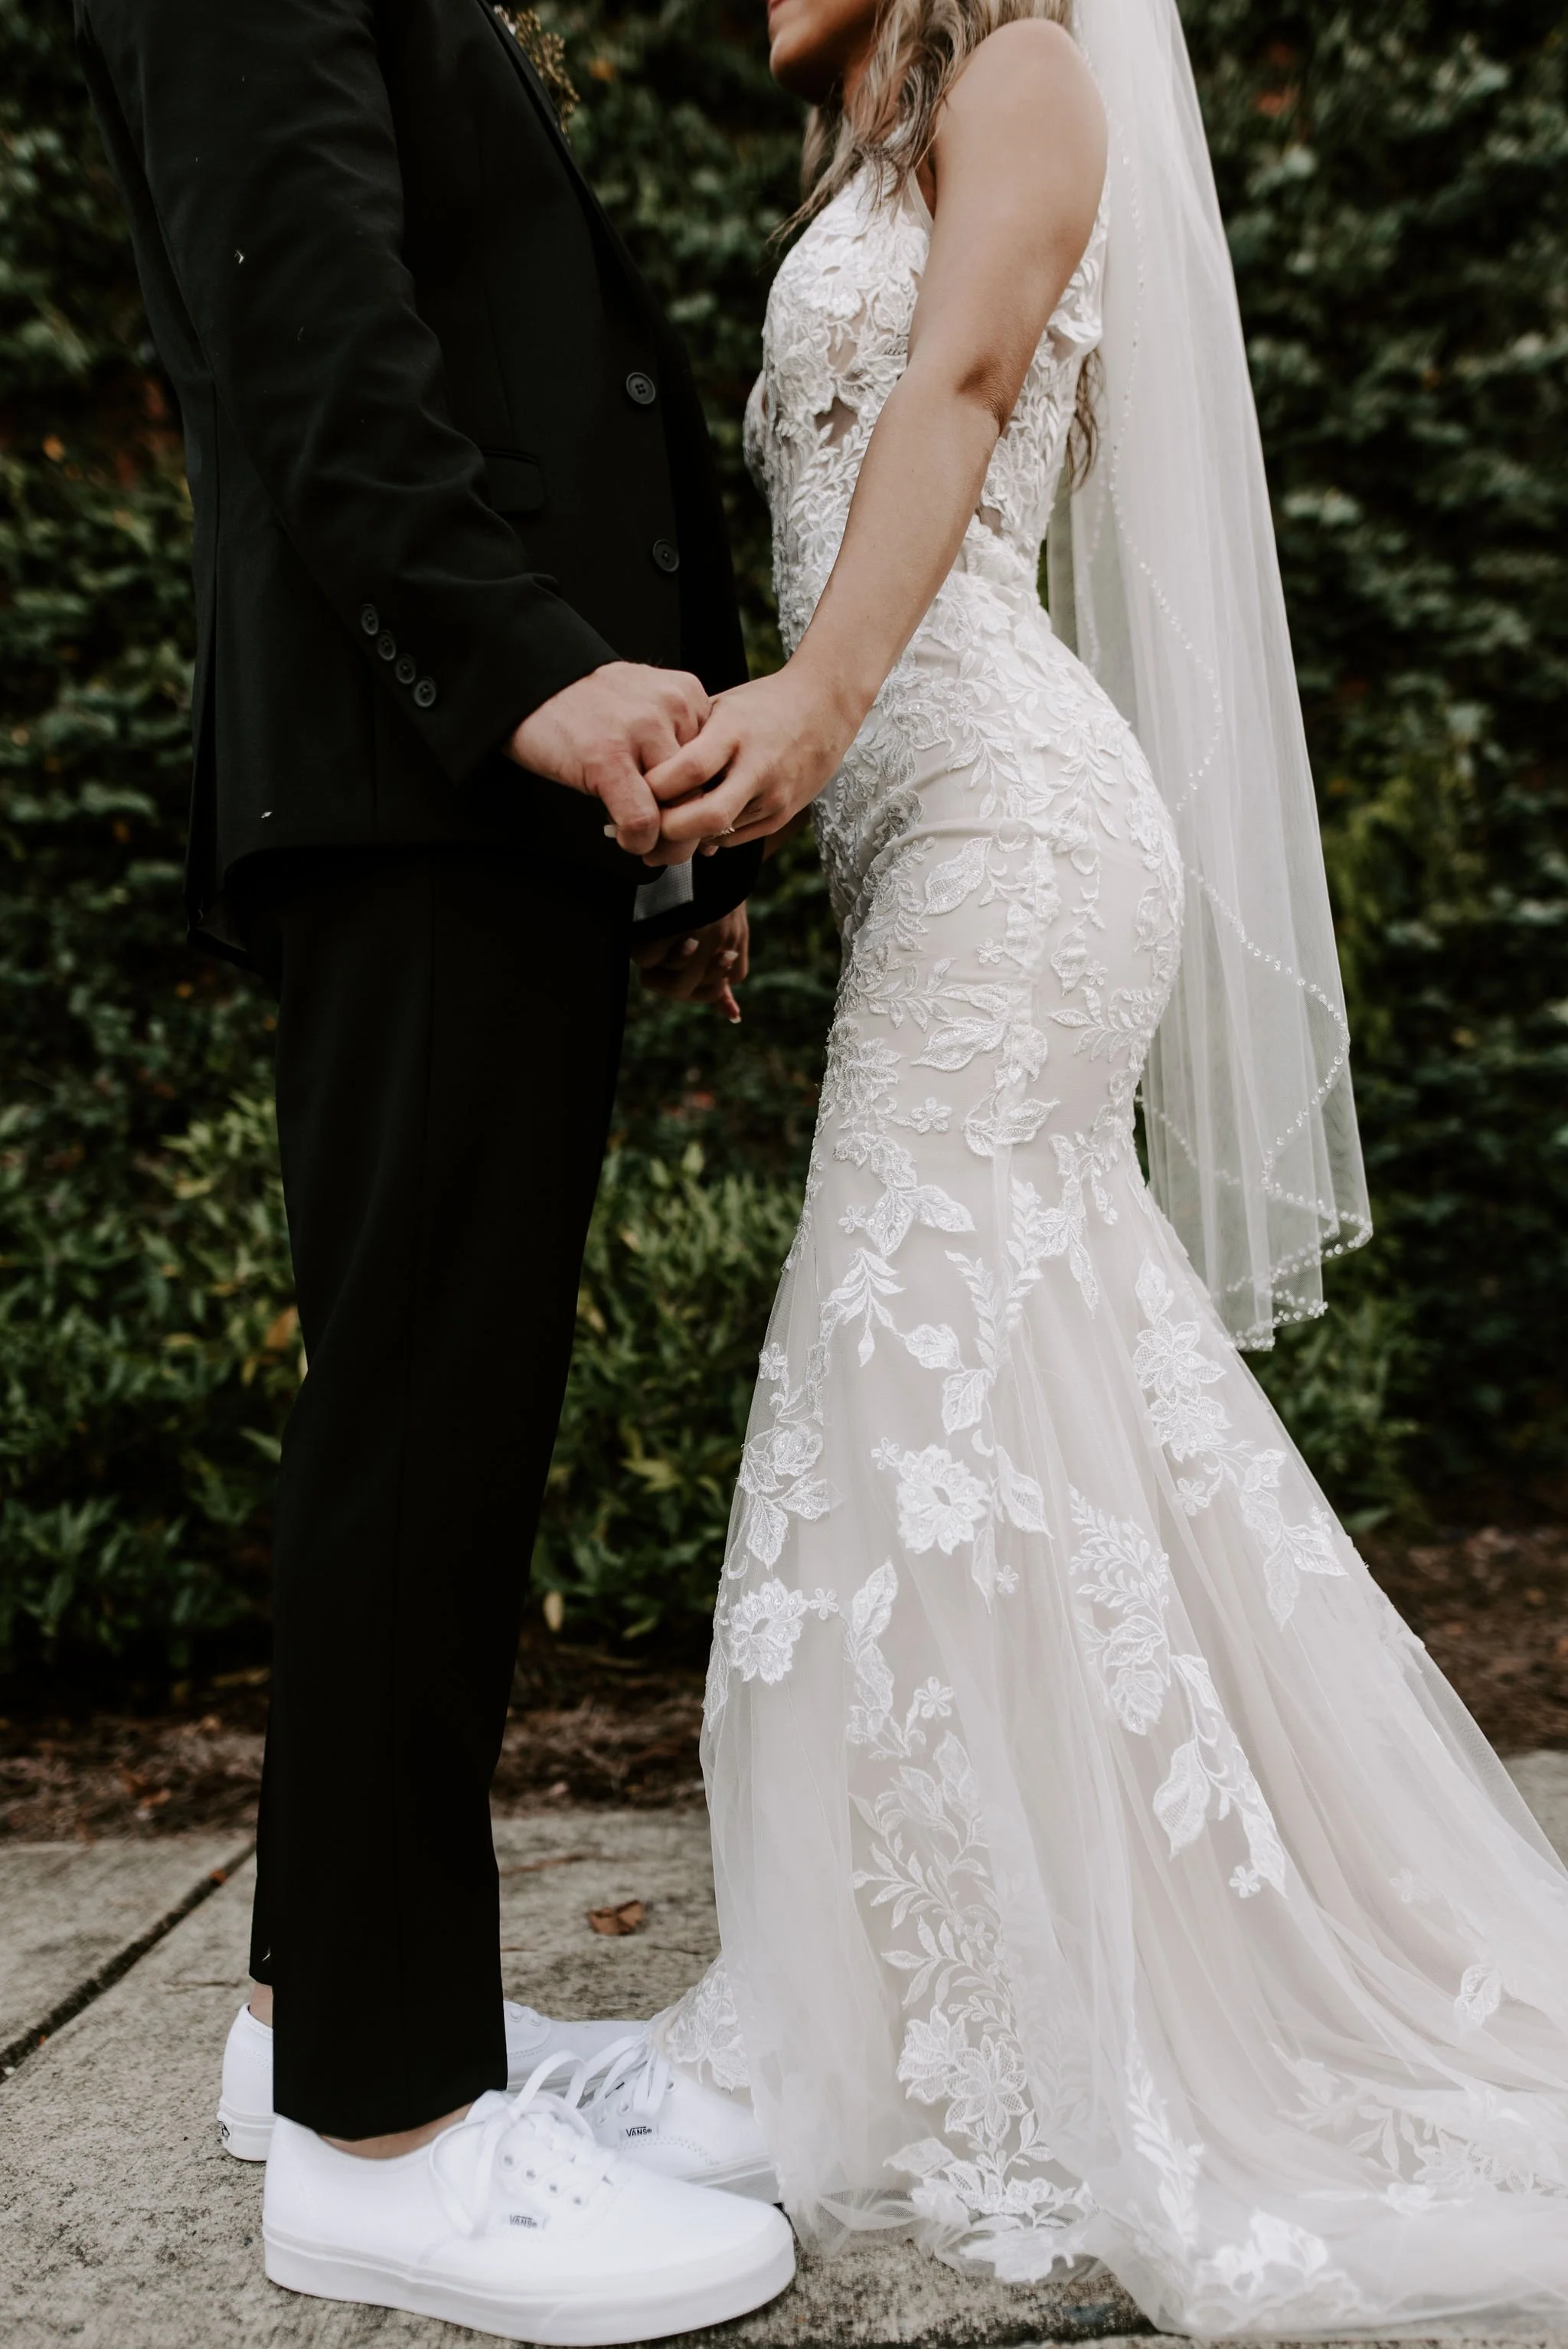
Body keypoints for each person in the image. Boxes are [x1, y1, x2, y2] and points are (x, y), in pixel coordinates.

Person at [615, 0, 1568, 2328]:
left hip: (1022, 830)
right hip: (914, 833)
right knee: (1018, 1403)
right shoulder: (883, 120)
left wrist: (811, 715)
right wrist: (768, 822)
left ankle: (960, 2005)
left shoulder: (1030, 64)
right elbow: (849, 500)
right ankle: (1009, 1955)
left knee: (888, 1384)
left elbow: (952, 409)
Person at [73, 0, 794, 2337]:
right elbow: (316, 325)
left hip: (478, 797)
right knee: (416, 1425)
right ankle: (381, 2145)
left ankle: (324, 2014)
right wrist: (522, 673)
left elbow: (501, 341)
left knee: (441, 1416)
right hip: (420, 782)